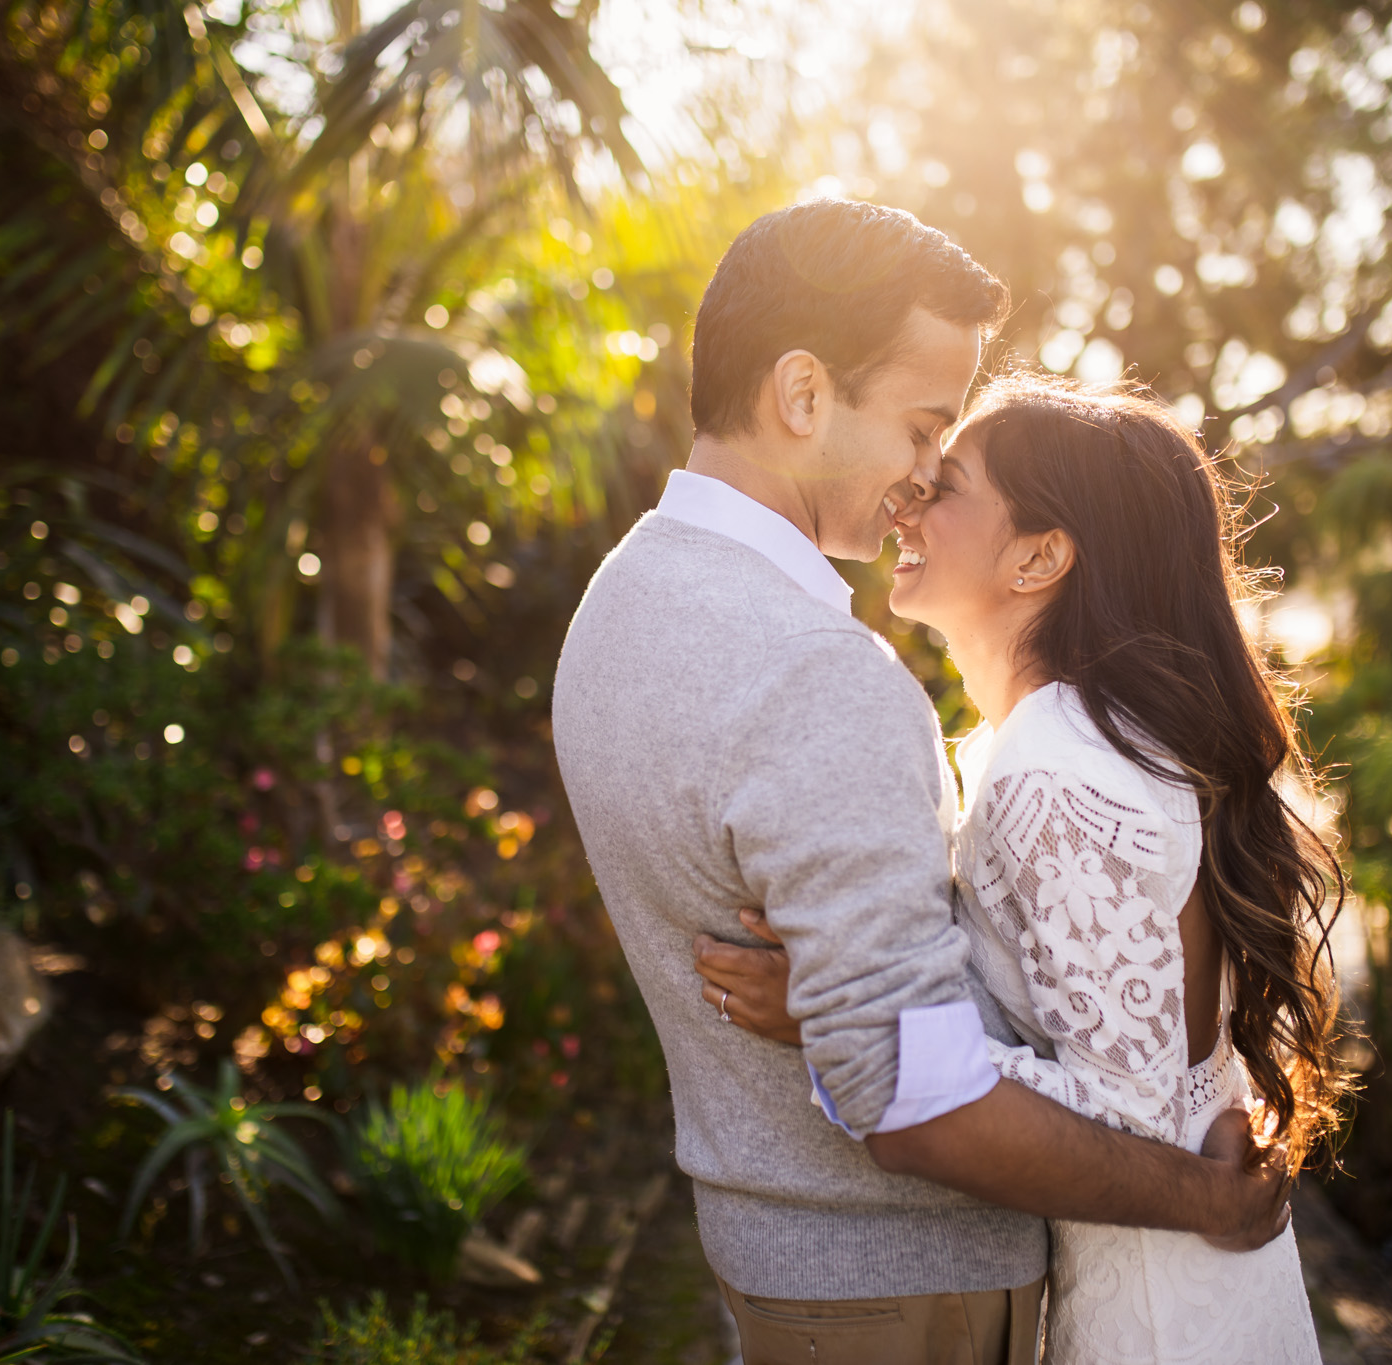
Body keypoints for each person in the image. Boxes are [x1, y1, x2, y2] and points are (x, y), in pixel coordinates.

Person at [552, 199, 1290, 1365]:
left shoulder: (617, 605)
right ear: (802, 396)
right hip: (902, 1292)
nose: (921, 476)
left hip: (799, 1262)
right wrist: (1207, 1200)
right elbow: (905, 1079)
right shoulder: (817, 677)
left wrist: (838, 1011)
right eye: (919, 429)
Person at [697, 372, 1350, 1361]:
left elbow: (1126, 1117)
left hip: (1154, 1315)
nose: (909, 494)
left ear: (1038, 556)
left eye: (946, 482)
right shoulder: (1091, 739)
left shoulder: (1053, 772)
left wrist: (844, 1011)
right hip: (1186, 1278)